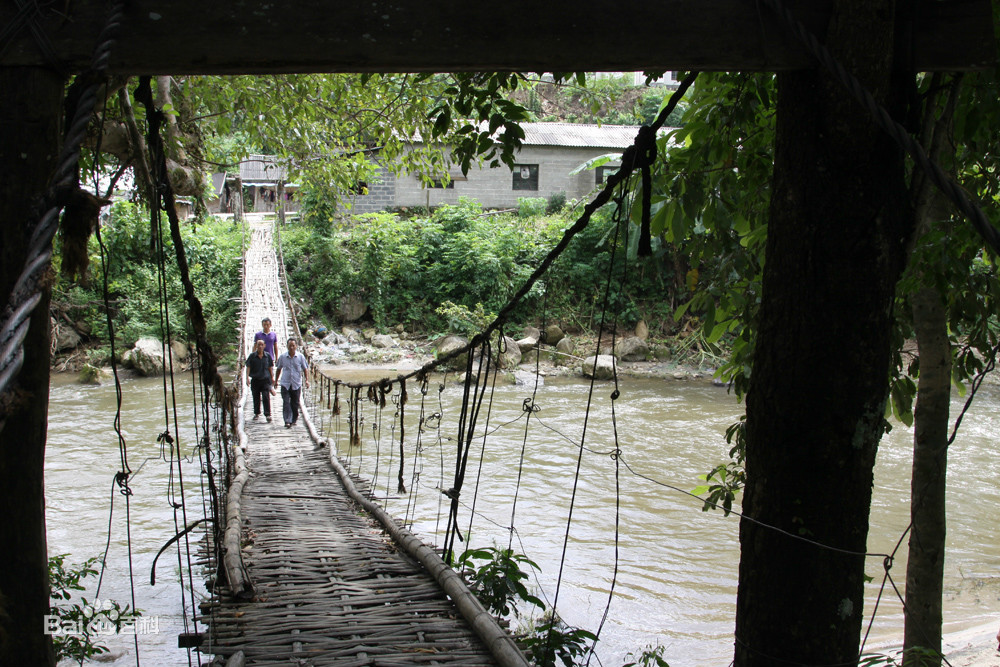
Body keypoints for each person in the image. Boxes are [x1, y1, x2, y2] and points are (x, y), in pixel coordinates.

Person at [274, 338, 309, 428]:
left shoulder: (300, 357)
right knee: (286, 402)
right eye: (290, 346)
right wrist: (275, 381)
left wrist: (307, 380)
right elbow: (279, 369)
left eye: (293, 345)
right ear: (287, 346)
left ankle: (294, 419)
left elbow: (305, 369)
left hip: (296, 383)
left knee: (295, 403)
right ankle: (287, 421)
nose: (291, 347)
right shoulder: (282, 357)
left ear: (296, 346)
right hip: (285, 383)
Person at [245, 338, 275, 422]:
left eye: (262, 345)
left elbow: (270, 367)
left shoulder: (267, 356)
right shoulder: (252, 356)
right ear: (256, 346)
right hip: (255, 379)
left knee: (266, 397)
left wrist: (272, 377)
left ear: (264, 346)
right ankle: (257, 413)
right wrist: (247, 378)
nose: (260, 346)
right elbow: (248, 366)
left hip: (265, 380)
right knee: (256, 397)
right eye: (259, 345)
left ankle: (267, 414)